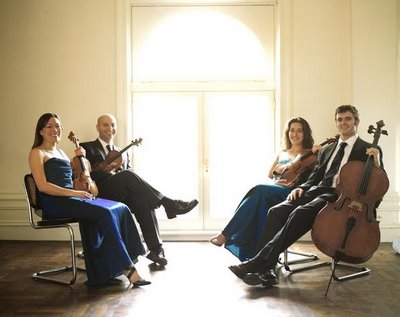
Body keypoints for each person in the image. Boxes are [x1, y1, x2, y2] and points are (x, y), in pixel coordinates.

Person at [228, 105, 385, 287]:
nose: (344, 123)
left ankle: (258, 263)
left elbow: (379, 181)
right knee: (276, 212)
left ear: (356, 121)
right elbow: (315, 177)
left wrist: (377, 163)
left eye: (348, 119)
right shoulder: (329, 149)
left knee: (300, 213)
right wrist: (301, 187)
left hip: (339, 196)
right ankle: (267, 268)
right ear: (336, 122)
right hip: (316, 190)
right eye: (340, 119)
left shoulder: (368, 149)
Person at [29, 113, 151, 287]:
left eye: (57, 126)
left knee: (120, 207)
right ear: (41, 131)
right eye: (49, 126)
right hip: (53, 203)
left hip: (70, 197)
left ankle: (103, 272)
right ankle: (127, 268)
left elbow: (71, 180)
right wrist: (76, 194)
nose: (55, 130)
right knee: (103, 213)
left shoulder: (62, 152)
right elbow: (43, 186)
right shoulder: (37, 152)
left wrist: (82, 161)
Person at [81, 113, 198, 266]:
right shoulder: (86, 147)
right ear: (97, 127)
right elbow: (85, 175)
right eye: (105, 125)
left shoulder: (122, 151)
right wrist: (106, 169)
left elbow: (131, 181)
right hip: (101, 193)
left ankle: (156, 250)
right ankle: (169, 204)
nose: (110, 128)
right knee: (129, 174)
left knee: (143, 200)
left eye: (112, 125)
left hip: (121, 195)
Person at [209, 117, 318, 261]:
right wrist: (282, 175)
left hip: (290, 193)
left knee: (258, 189)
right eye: (292, 130)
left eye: (299, 131)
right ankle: (255, 257)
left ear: (305, 134)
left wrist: (318, 150)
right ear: (288, 133)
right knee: (259, 204)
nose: (295, 134)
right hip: (274, 190)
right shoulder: (282, 153)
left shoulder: (309, 153)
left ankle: (226, 234)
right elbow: (270, 173)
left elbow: (312, 178)